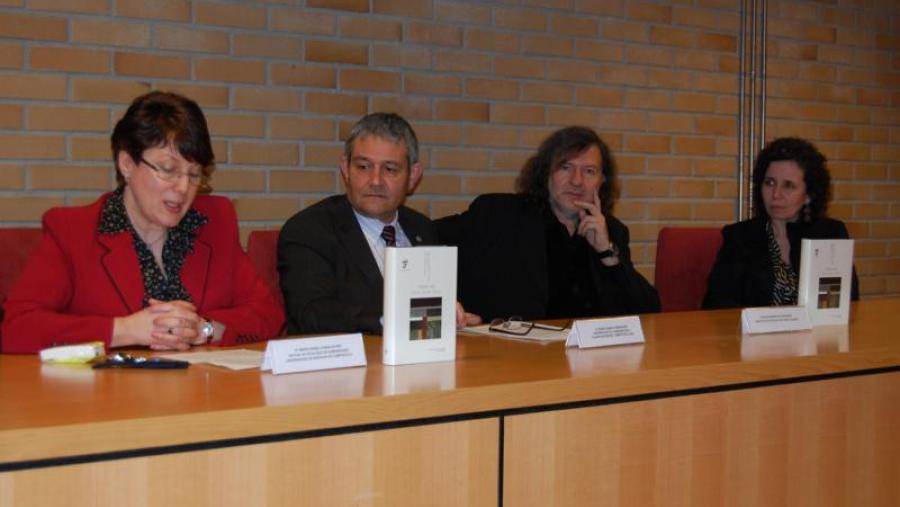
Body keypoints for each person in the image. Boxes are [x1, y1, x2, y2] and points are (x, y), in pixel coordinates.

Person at [1, 91, 284, 354]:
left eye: (194, 174)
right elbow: (16, 327)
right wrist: (124, 330)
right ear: (126, 163)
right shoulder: (73, 231)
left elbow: (268, 314)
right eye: (168, 170)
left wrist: (204, 328)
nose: (183, 188)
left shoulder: (214, 222)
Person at [278, 112, 478, 335]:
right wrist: (395, 319)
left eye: (390, 169)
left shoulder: (422, 229)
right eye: (363, 167)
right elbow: (312, 313)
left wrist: (456, 315)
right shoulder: (310, 230)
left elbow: (436, 308)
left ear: (413, 176)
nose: (375, 180)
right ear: (345, 169)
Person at [436, 126, 660, 322]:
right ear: (546, 174)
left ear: (601, 182)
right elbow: (424, 239)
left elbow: (649, 311)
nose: (577, 181)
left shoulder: (612, 232)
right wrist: (449, 308)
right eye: (566, 167)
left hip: (591, 363)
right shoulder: (498, 215)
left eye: (589, 171)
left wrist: (607, 253)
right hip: (516, 358)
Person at [703, 137, 859, 309]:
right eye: (769, 183)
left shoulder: (830, 235)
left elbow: (842, 304)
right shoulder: (740, 237)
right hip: (752, 335)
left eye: (788, 186)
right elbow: (716, 306)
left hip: (816, 334)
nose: (776, 194)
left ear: (809, 195)